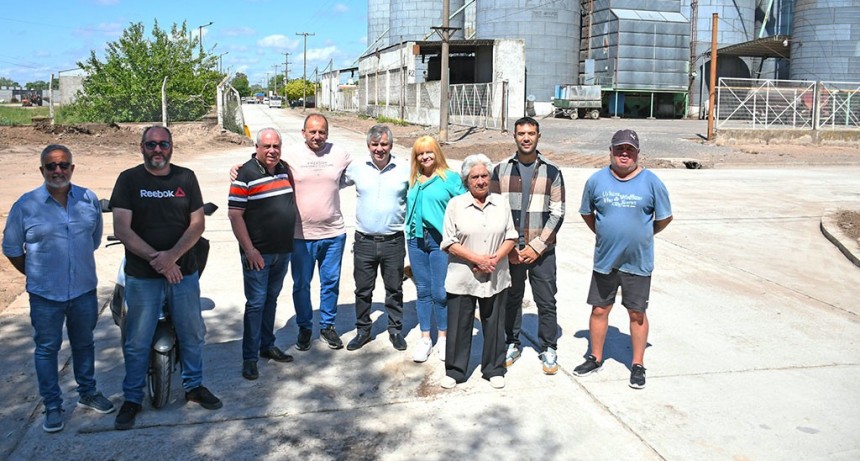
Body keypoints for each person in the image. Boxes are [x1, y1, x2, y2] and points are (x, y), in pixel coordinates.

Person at [110, 125, 222, 431]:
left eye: (163, 144)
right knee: (136, 340)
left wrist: (171, 257)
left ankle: (194, 386)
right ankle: (132, 399)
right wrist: (158, 261)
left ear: (171, 147)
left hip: (182, 273)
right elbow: (122, 229)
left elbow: (197, 224)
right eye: (151, 144)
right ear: (141, 147)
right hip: (143, 276)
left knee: (192, 333)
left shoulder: (185, 177)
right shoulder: (129, 180)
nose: (157, 149)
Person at [2, 145, 116, 433]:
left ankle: (88, 393)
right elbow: (12, 247)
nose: (58, 171)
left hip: (83, 292)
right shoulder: (25, 206)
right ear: (42, 170)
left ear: (72, 168)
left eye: (64, 165)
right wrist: (36, 273)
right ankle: (53, 406)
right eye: (51, 166)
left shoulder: (88, 200)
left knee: (84, 344)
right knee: (47, 349)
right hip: (45, 295)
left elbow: (93, 239)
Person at [574, 129, 673, 389]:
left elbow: (664, 217)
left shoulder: (652, 182)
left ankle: (637, 364)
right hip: (605, 260)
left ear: (638, 153)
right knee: (599, 309)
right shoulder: (596, 181)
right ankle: (595, 357)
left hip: (638, 262)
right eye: (619, 149)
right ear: (611, 151)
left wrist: (643, 235)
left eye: (629, 149)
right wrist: (604, 232)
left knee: (637, 313)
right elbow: (587, 213)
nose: (624, 153)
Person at [490, 116, 566, 375]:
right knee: (512, 299)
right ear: (514, 136)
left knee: (546, 301)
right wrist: (510, 247)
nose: (525, 138)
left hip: (542, 252)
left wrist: (537, 246)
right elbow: (494, 212)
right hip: (511, 250)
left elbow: (558, 213)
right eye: (521, 133)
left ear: (538, 136)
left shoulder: (552, 172)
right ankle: (512, 342)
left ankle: (548, 346)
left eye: (530, 133)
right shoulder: (500, 171)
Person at [440, 154, 517, 389]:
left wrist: (494, 259)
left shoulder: (501, 203)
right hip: (463, 275)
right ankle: (455, 371)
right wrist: (477, 259)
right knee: (459, 324)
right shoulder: (456, 205)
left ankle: (494, 368)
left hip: (496, 272)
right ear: (466, 180)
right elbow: (449, 242)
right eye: (475, 177)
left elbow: (511, 236)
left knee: (494, 323)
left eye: (484, 176)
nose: (481, 181)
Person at [228, 128, 297, 381]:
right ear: (256, 147)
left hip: (282, 251)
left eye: (276, 146)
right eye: (267, 146)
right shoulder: (245, 173)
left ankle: (267, 345)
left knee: (271, 300)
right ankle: (250, 358)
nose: (272, 151)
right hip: (258, 254)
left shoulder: (284, 169)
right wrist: (250, 250)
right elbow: (235, 215)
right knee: (255, 304)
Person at [284, 113, 353, 351]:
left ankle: (327, 326)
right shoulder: (290, 155)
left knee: (330, 282)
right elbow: (265, 162)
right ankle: (304, 326)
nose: (317, 136)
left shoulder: (340, 154)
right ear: (303, 132)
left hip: (333, 233)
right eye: (312, 131)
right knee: (301, 284)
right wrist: (240, 167)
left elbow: (363, 171)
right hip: (300, 235)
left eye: (322, 131)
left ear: (327, 133)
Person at [341, 125, 409, 352]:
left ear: (391, 145)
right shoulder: (357, 168)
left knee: (395, 288)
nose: (379, 149)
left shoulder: (404, 168)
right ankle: (363, 330)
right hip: (365, 242)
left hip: (393, 241)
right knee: (363, 290)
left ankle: (395, 329)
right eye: (375, 144)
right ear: (368, 145)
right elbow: (329, 180)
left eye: (384, 144)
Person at [405, 136, 466, 362]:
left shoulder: (449, 178)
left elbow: (464, 205)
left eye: (429, 152)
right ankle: (424, 338)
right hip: (415, 239)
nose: (425, 157)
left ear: (437, 152)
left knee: (440, 291)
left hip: (440, 240)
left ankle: (443, 337)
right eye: (420, 153)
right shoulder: (414, 179)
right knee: (422, 290)